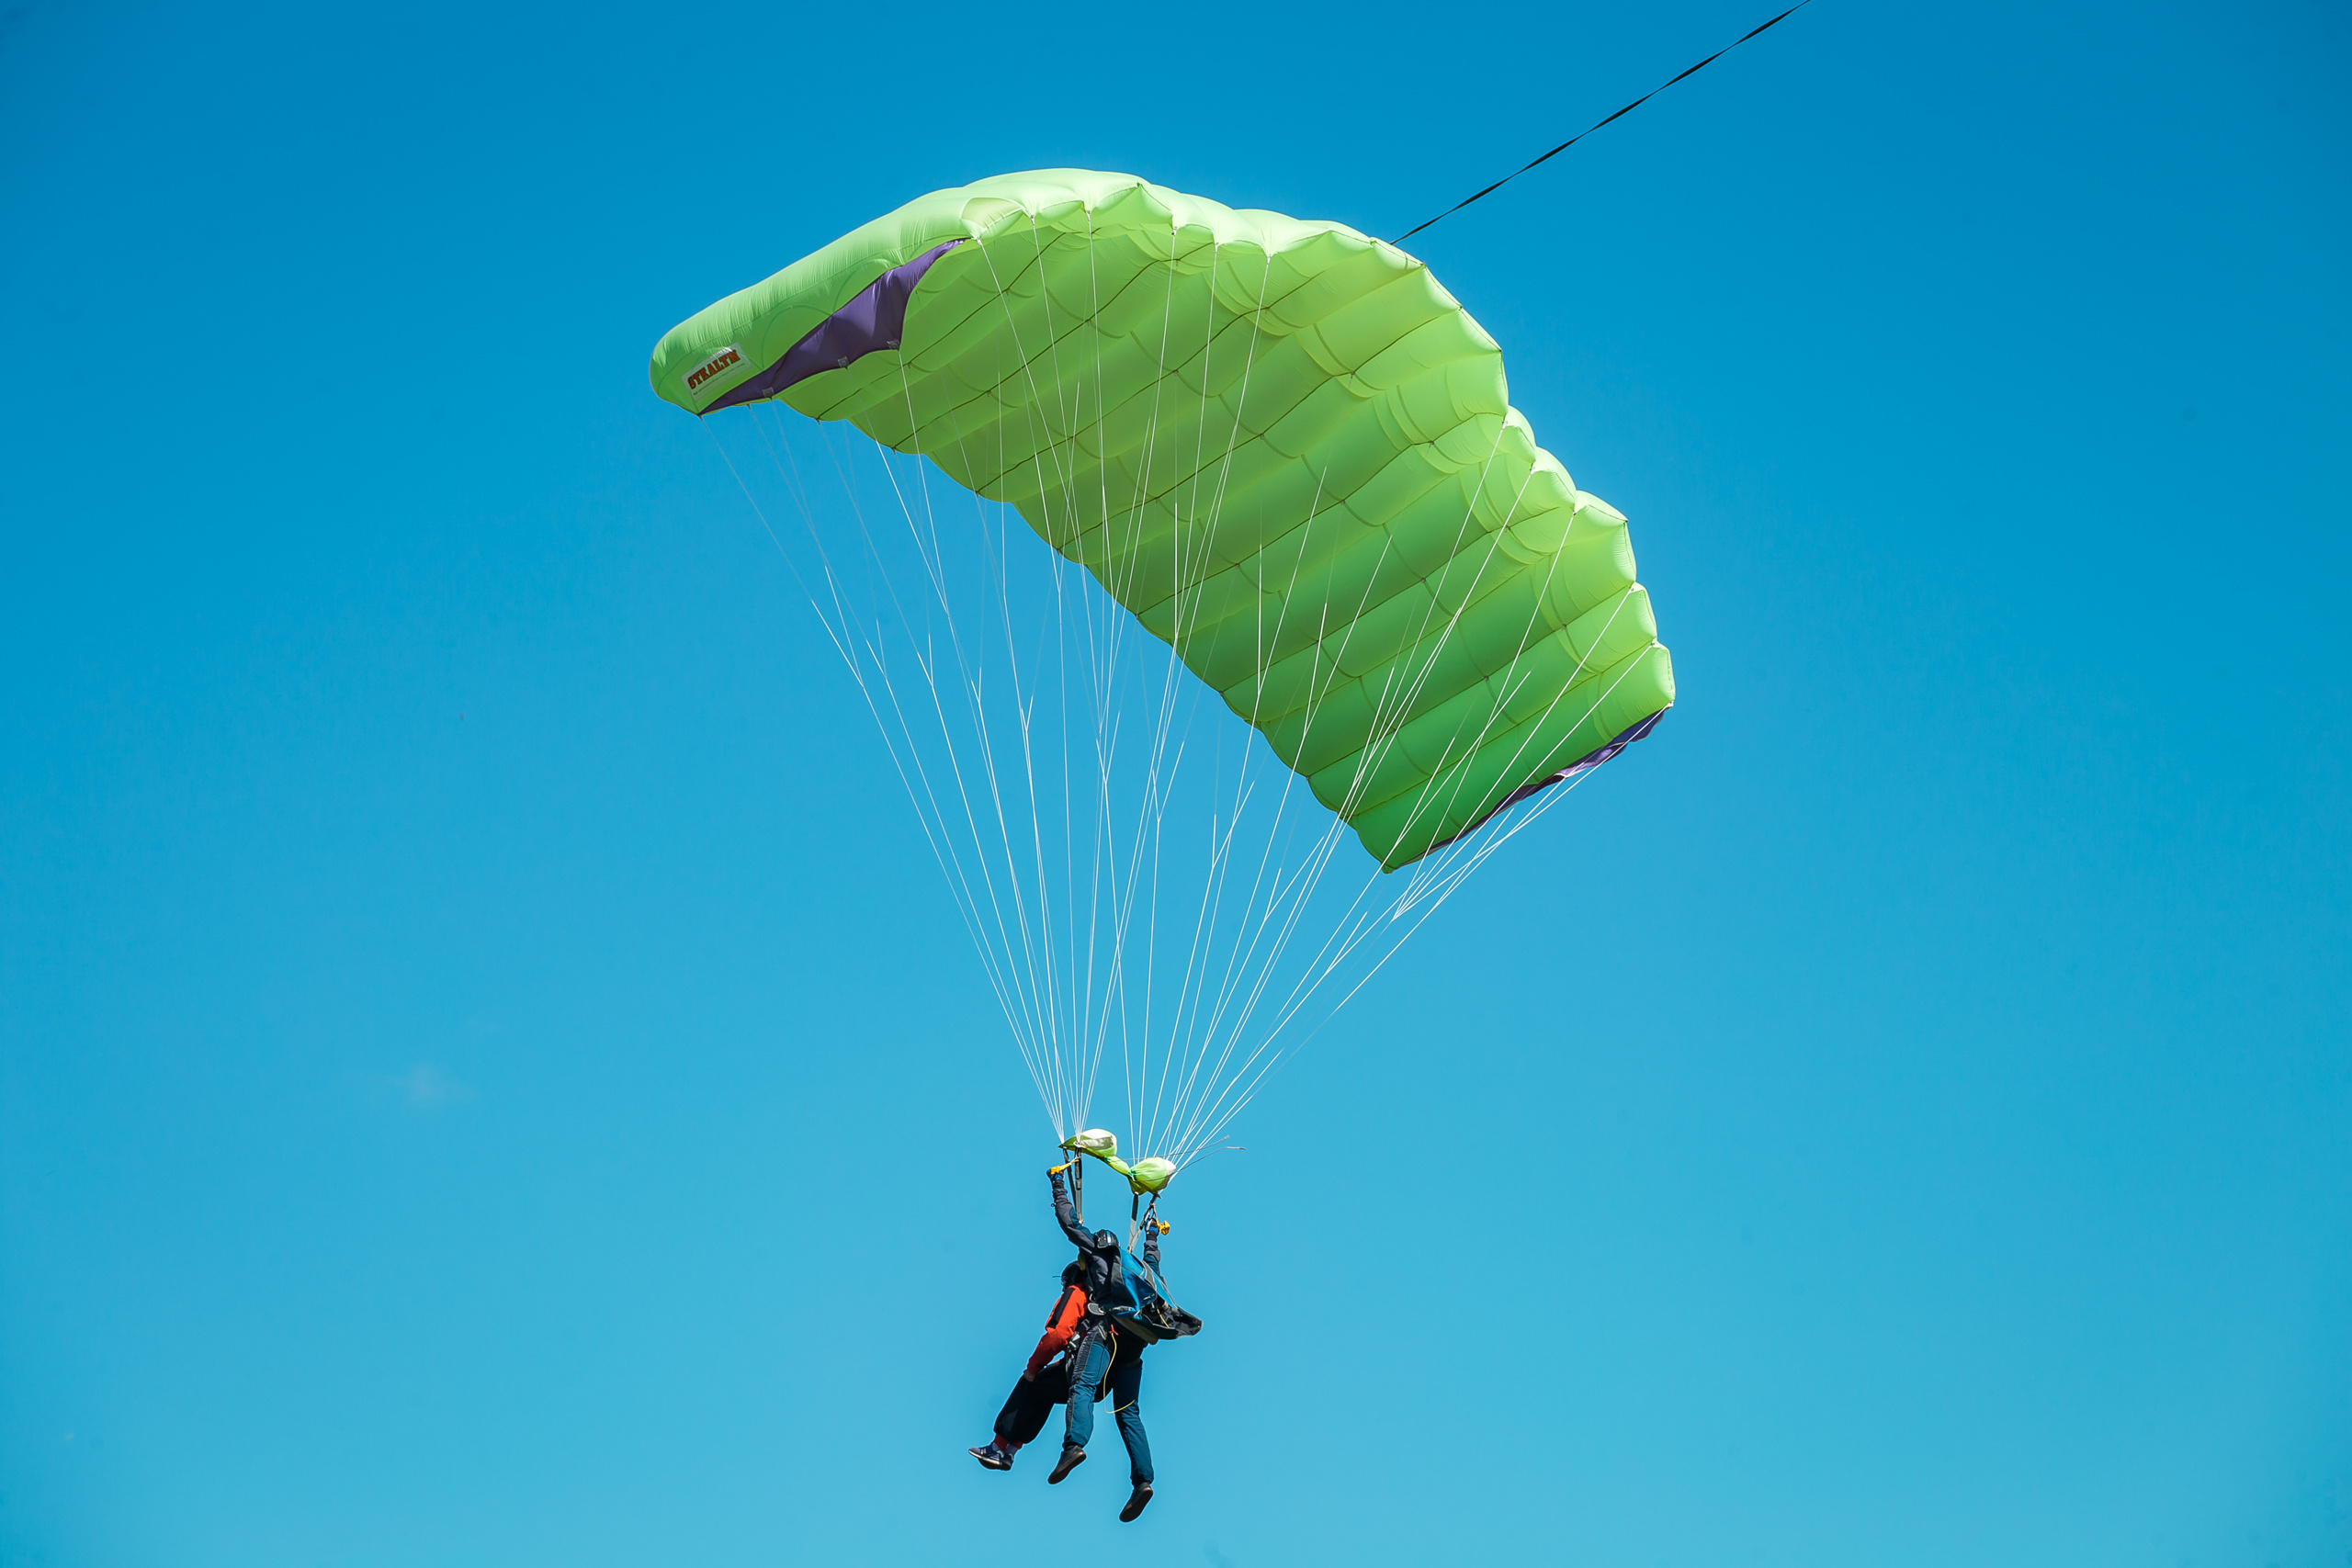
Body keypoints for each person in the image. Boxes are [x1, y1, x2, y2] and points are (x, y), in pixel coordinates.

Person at [1045, 1166, 1164, 1524]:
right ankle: (1143, 1481)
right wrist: (1154, 1231)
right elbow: (1155, 1255)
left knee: (1082, 1384)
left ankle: (1074, 1446)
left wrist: (1057, 1185)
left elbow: (1070, 1224)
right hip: (1136, 1344)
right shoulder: (1143, 1269)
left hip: (1107, 1330)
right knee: (1128, 1412)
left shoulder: (1097, 1255)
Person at [967, 1258, 1088, 1472]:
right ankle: (1011, 1451)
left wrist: (1034, 1366)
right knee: (1046, 1389)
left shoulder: (1076, 1292)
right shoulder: (1100, 1301)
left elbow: (1058, 1335)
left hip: (1081, 1369)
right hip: (1103, 1372)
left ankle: (998, 1447)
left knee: (1030, 1382)